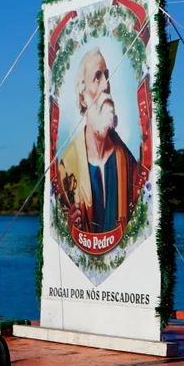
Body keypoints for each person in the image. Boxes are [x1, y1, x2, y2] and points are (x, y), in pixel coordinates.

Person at [56, 47, 142, 234]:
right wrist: (71, 223)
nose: (106, 85)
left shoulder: (127, 161)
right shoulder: (67, 166)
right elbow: (61, 227)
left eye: (107, 75)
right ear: (83, 97)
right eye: (97, 77)